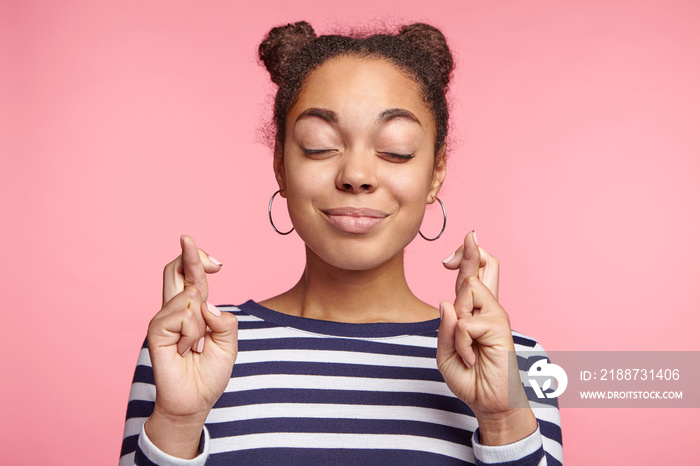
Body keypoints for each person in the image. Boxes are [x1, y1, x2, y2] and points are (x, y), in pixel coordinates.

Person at [120, 21, 563, 465]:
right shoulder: (191, 346)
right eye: (319, 145)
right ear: (281, 164)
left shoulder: (515, 362)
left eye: (396, 149)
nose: (356, 175)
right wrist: (177, 424)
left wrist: (503, 419)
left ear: (436, 171)